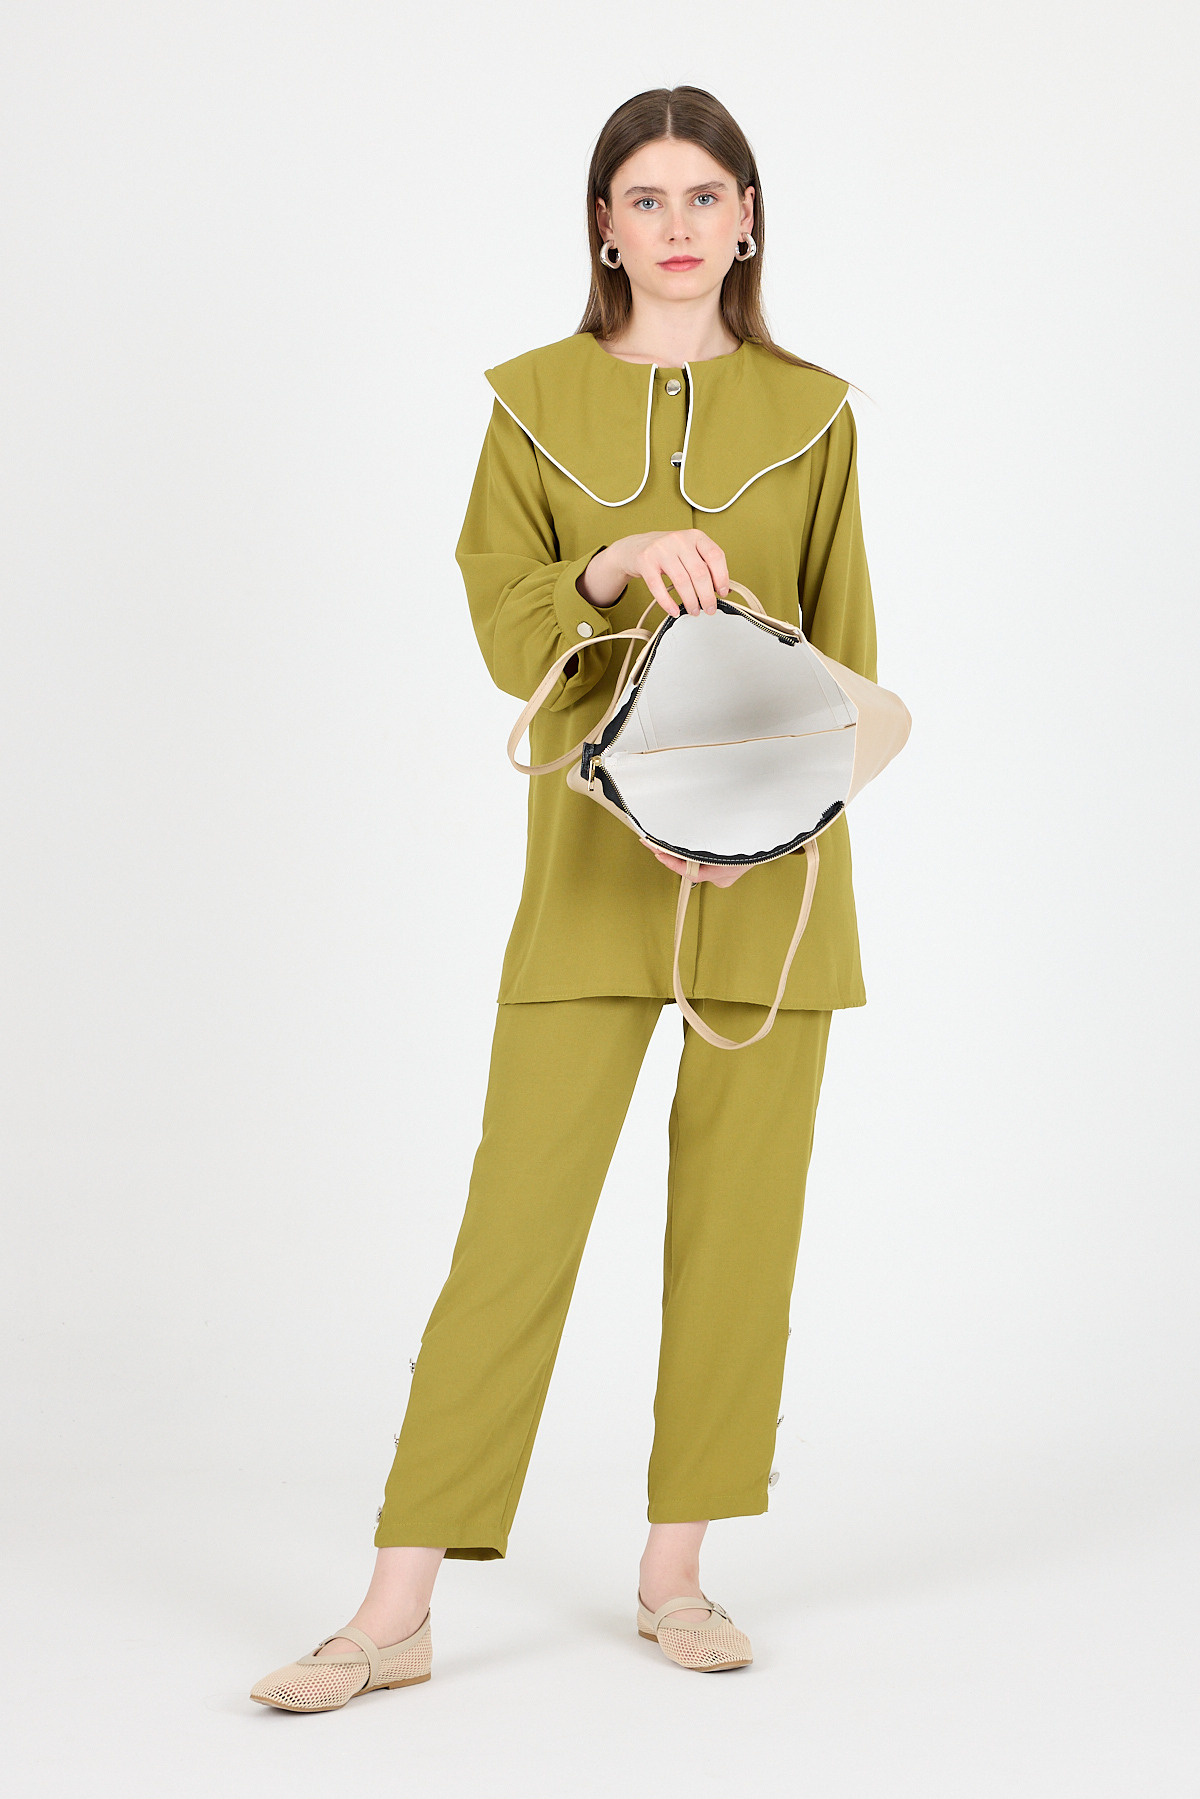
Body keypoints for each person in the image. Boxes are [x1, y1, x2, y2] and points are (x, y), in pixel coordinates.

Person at [251, 84, 881, 1711]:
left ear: (748, 218)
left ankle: (676, 1576)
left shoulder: (817, 415)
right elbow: (503, 622)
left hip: (774, 885)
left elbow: (848, 670)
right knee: (513, 1233)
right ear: (604, 225)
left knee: (740, 1237)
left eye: (705, 195)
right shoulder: (529, 405)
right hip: (589, 875)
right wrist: (608, 564)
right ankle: (394, 1609)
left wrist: (757, 831)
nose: (676, 224)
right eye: (645, 197)